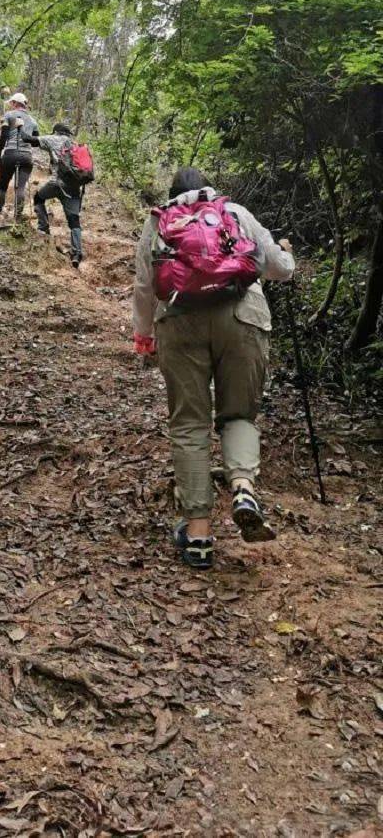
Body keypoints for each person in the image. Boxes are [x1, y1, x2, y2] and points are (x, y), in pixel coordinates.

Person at [132, 167, 295, 570]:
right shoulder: (235, 212)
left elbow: (143, 286)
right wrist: (287, 254)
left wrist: (144, 334)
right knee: (239, 413)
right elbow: (278, 267)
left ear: (172, 195)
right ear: (210, 190)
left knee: (189, 424)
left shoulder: (157, 223)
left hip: (180, 321)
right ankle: (242, 487)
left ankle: (200, 537)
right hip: (244, 316)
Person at [27, 123, 86, 268]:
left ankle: (44, 228)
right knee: (74, 221)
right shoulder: (75, 145)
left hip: (56, 184)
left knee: (38, 198)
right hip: (74, 188)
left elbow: (31, 140)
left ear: (56, 132)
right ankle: (76, 253)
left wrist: (20, 128)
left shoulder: (54, 139)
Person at [0, 92, 38, 221]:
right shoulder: (33, 121)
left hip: (10, 154)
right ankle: (18, 217)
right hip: (26, 156)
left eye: (11, 103)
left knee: (2, 186)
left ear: (14, 103)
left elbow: (4, 136)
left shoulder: (9, 115)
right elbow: (35, 142)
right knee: (20, 187)